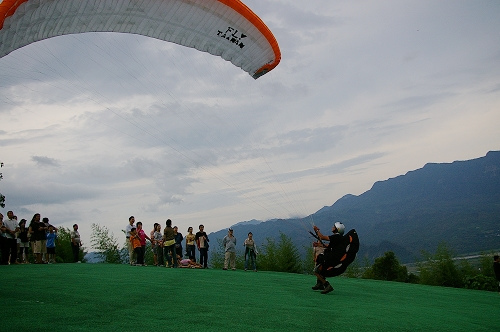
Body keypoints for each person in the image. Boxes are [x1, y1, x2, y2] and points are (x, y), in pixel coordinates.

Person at [311, 222, 346, 294]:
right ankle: (320, 284)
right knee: (320, 264)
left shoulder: (336, 237)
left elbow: (322, 237)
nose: (332, 227)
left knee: (316, 270)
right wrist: (318, 244)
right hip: (333, 257)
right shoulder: (338, 238)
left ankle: (327, 285)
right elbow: (328, 246)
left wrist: (316, 230)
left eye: (334, 226)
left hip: (331, 258)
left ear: (337, 229)